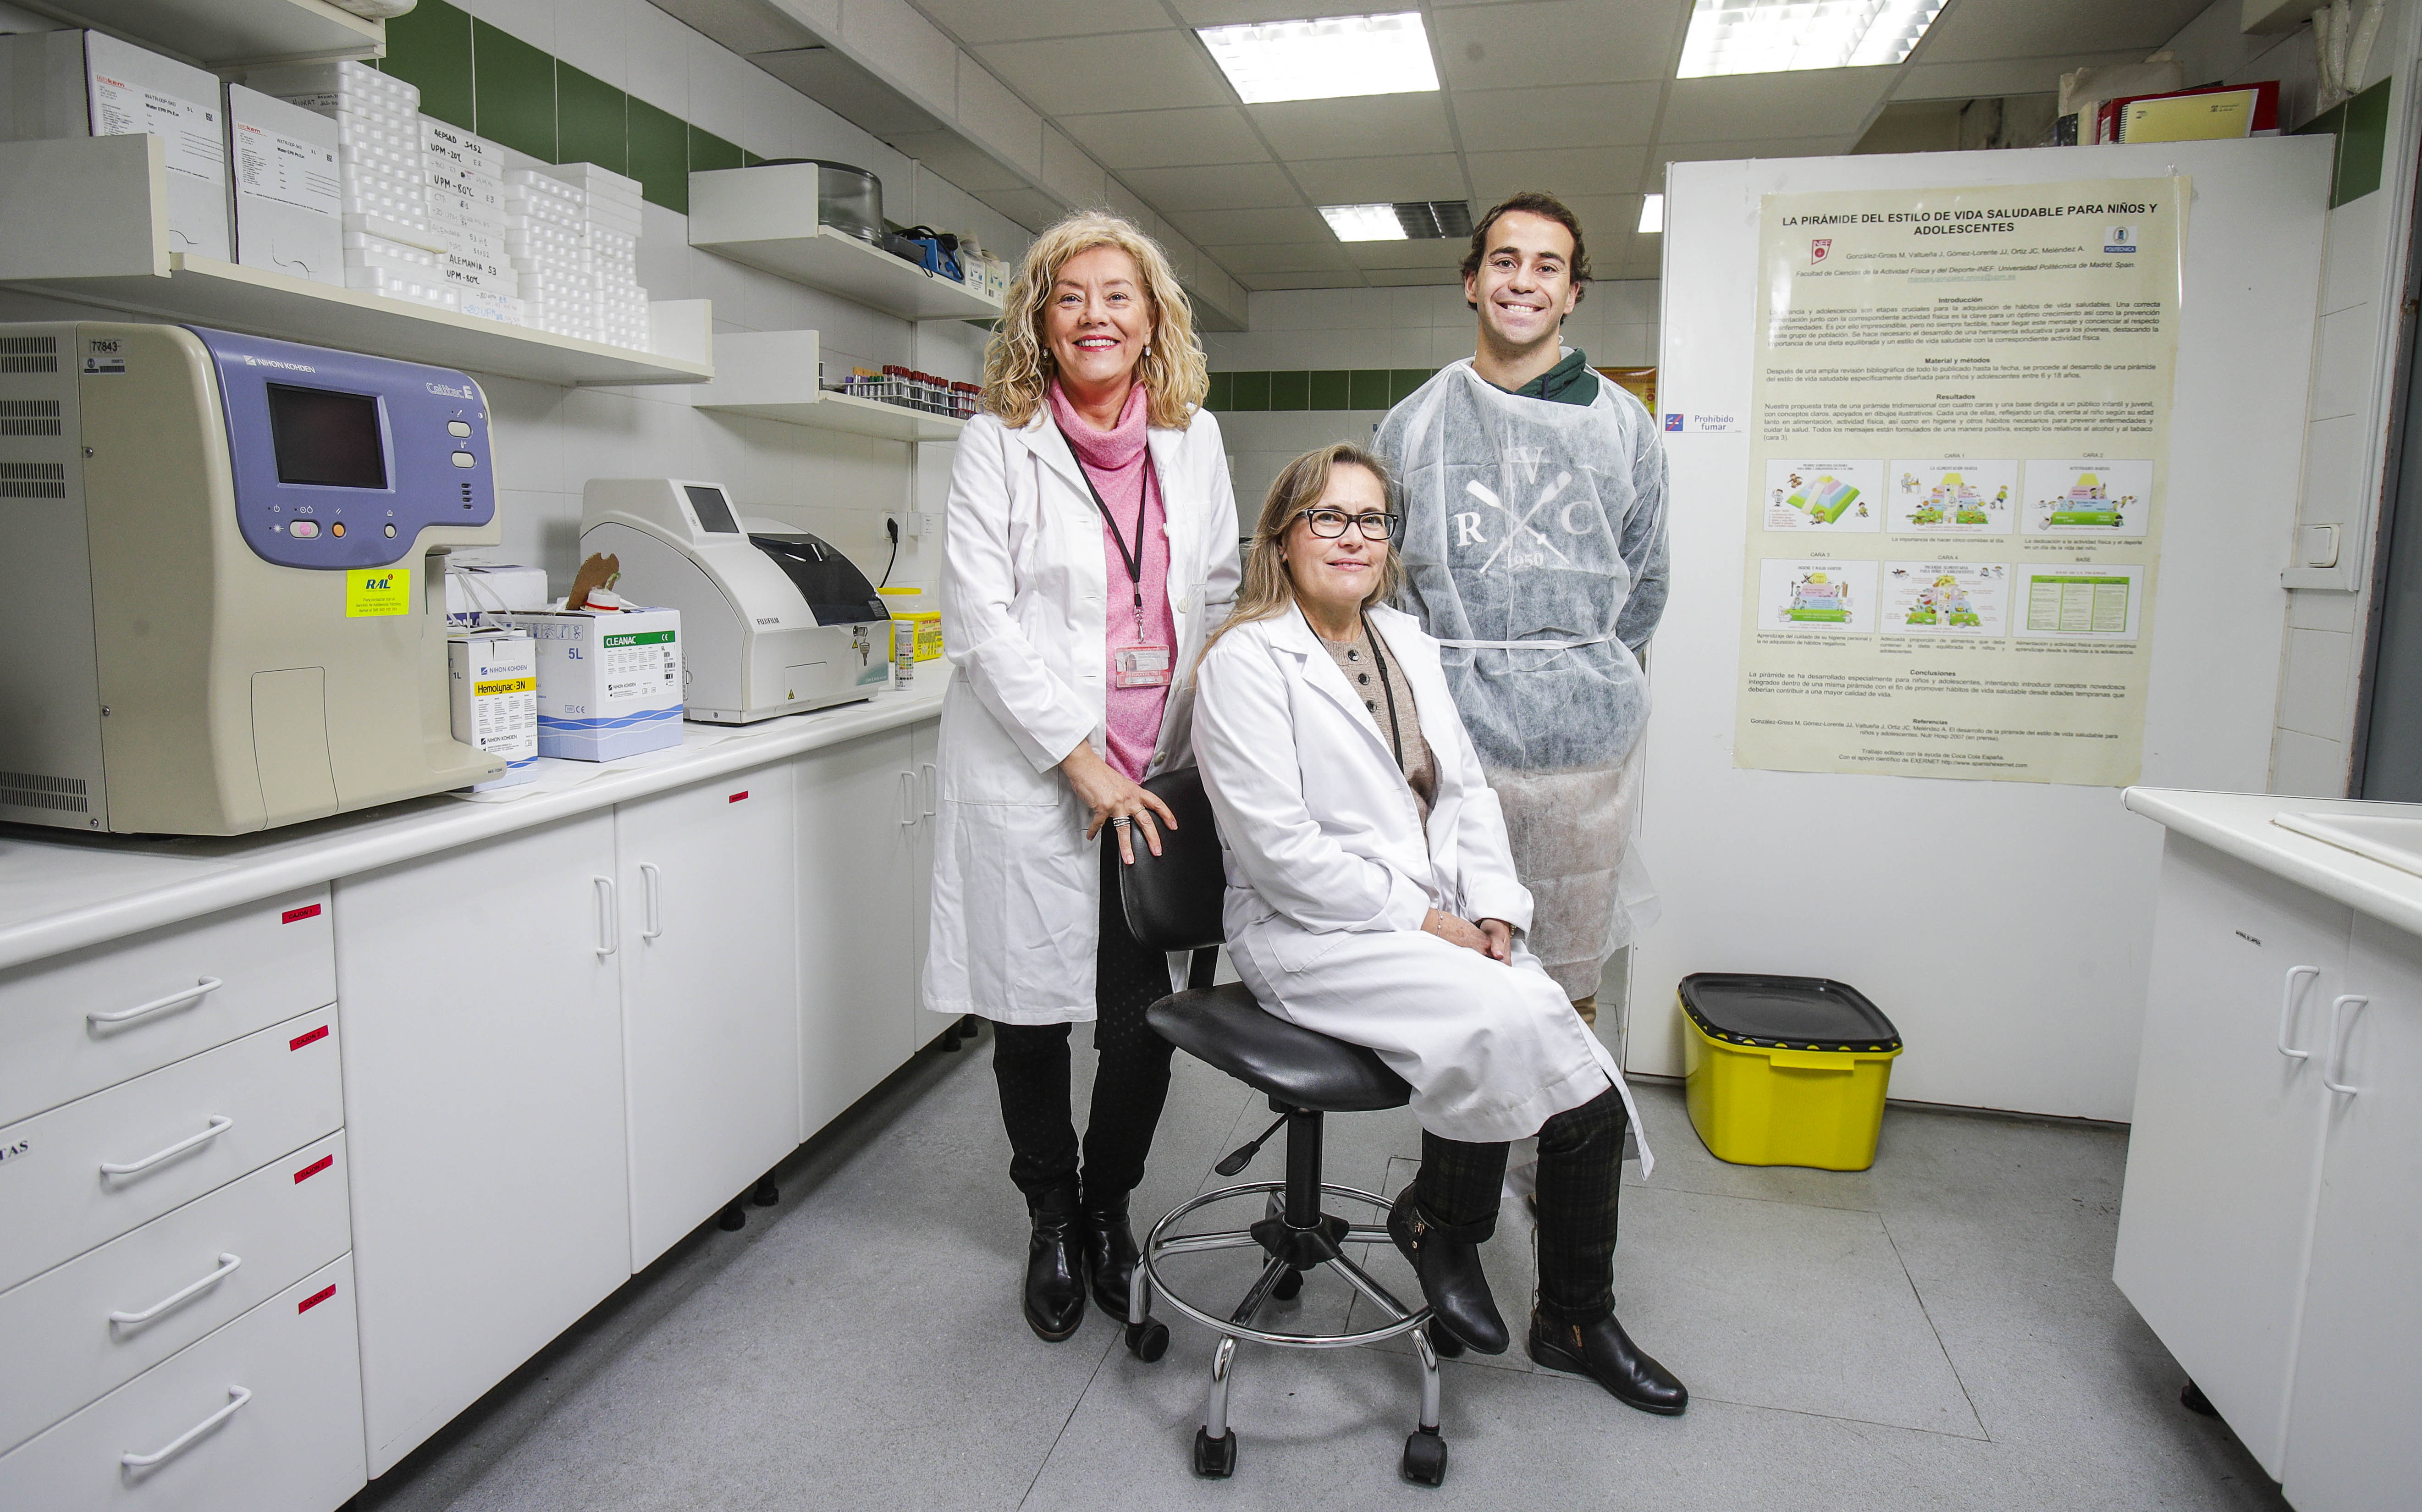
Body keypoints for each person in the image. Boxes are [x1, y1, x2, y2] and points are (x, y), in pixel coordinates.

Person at [1192, 443, 1686, 1413]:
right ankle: (1447, 1222)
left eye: (1370, 520)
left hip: (1421, 915)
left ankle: (1572, 1313)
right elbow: (1277, 852)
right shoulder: (1245, 662)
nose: (1351, 537)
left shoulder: (1405, 642)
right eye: (1327, 518)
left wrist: (1493, 904)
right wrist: (1426, 921)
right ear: (1282, 538)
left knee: (1574, 1070)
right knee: (1508, 1023)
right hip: (1310, 928)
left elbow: (1461, 792)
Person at [926, 211, 1241, 1343]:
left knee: (1140, 1014)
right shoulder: (994, 443)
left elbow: (1213, 589)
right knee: (1025, 1017)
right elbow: (982, 622)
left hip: (1155, 771)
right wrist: (1081, 763)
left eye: (1119, 295)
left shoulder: (1191, 436)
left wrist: (1193, 747)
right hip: (1037, 772)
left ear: (1151, 317)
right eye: (1071, 297)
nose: (1096, 315)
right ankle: (1049, 1215)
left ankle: (1110, 1201)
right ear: (1039, 322)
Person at [1373, 191, 1669, 1029]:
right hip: (1450, 749)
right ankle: (1462, 1164)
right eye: (1505, 261)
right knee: (1459, 974)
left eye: (1550, 266)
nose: (1524, 282)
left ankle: (1558, 1162)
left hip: (1583, 762)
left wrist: (1567, 677)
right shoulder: (1412, 427)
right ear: (1472, 281)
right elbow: (1384, 591)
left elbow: (1643, 585)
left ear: (1573, 294)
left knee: (1566, 984)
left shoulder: (1625, 427)